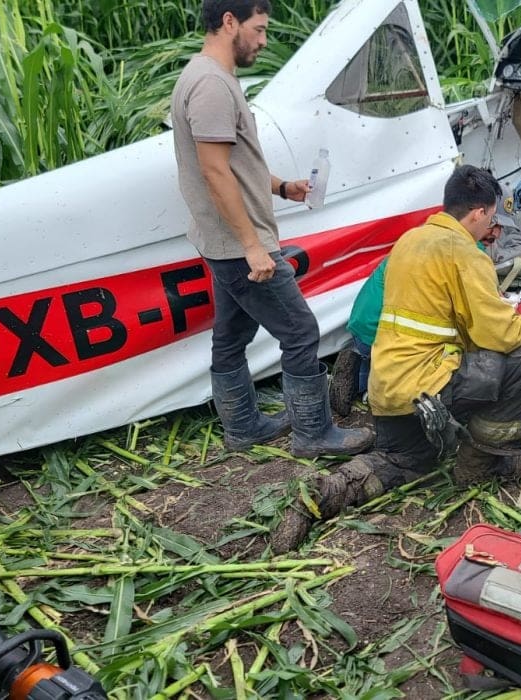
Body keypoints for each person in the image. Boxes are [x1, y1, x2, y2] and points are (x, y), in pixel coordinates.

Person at [171, 0, 372, 458]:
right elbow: (215, 172)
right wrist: (252, 246)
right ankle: (314, 435)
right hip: (238, 246)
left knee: (231, 336)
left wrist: (283, 187)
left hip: (223, 243)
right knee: (300, 332)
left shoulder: (208, 78)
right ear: (229, 22)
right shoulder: (210, 86)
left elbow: (236, 163)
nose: (263, 41)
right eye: (258, 30)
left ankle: (243, 427)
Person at [299, 165, 521, 520]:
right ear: (479, 212)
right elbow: (500, 335)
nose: (488, 228)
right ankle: (483, 463)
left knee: (403, 463)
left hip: (388, 392)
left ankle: (331, 490)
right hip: (427, 390)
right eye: (491, 218)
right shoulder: (465, 252)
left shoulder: (410, 240)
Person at [330, 184, 519, 416]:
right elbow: (484, 319)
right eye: (494, 224)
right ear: (478, 215)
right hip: (389, 337)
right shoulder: (467, 250)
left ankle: (359, 369)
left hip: (365, 325)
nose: (497, 234)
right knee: (449, 359)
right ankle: (366, 384)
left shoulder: (421, 236)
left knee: (384, 368)